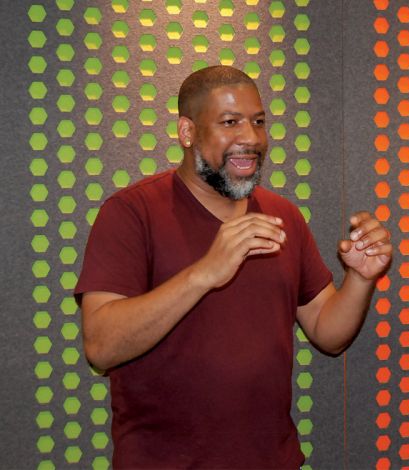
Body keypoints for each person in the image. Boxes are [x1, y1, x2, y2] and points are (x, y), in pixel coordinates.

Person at [75, 65, 392, 468]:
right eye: (230, 122)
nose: (251, 138)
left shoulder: (283, 216)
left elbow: (329, 334)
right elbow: (101, 346)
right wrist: (204, 273)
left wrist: (361, 279)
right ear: (187, 132)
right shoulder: (131, 213)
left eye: (258, 122)